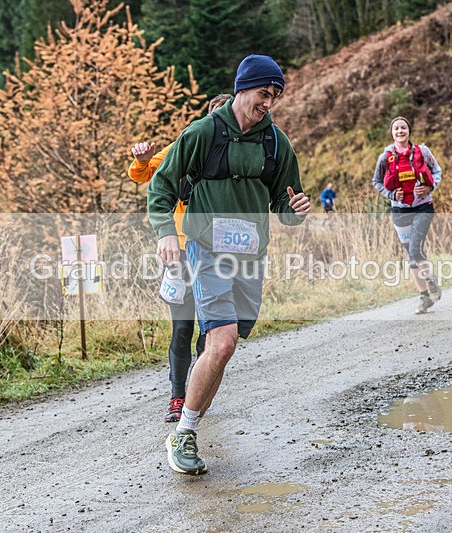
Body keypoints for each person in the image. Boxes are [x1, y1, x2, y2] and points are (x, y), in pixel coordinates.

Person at [147, 54, 311, 475]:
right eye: (263, 94)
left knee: (227, 346)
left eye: (274, 97)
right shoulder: (203, 133)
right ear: (243, 88)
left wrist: (296, 208)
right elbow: (161, 183)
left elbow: (283, 203)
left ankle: (189, 422)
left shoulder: (277, 143)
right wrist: (167, 232)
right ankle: (184, 431)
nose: (268, 103)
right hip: (207, 249)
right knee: (220, 342)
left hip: (251, 256)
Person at [128, 94, 232, 423]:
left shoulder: (239, 156)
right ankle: (177, 397)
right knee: (182, 327)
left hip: (217, 251)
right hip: (181, 249)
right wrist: (142, 160)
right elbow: (142, 175)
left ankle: (197, 394)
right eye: (217, 117)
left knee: (211, 330)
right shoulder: (185, 145)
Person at [372, 116, 443, 314]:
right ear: (392, 132)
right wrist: (392, 194)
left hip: (423, 207)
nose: (400, 131)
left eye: (403, 128)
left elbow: (437, 171)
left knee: (415, 248)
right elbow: (376, 182)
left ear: (409, 130)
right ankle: (424, 297)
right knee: (411, 255)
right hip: (400, 210)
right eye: (396, 128)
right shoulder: (386, 157)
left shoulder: (423, 151)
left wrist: (430, 188)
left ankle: (431, 281)